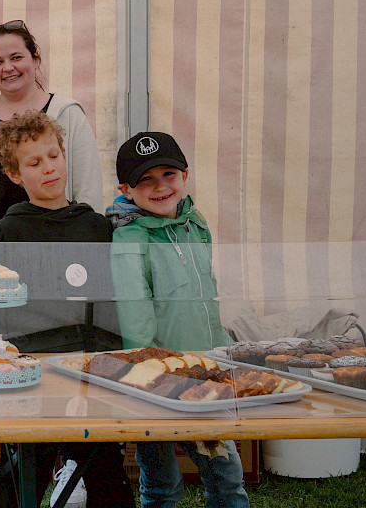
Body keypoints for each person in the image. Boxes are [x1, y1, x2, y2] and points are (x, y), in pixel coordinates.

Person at [0, 113, 130, 508]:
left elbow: (109, 304)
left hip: (93, 372)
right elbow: (7, 313)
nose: (48, 168)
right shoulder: (10, 230)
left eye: (53, 155)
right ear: (14, 175)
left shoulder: (95, 225)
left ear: (65, 155)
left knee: (104, 473)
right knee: (22, 474)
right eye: (34, 163)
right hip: (37, 375)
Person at [108, 131, 247, 508]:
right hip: (156, 379)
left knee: (226, 475)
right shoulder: (128, 238)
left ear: (185, 176)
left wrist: (219, 355)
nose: (160, 187)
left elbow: (208, 298)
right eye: (146, 180)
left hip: (205, 372)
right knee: (162, 482)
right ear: (126, 189)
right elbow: (135, 315)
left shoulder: (196, 223)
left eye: (168, 174)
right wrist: (154, 374)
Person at [0, 20, 104, 301]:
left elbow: (88, 195)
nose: (8, 68)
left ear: (35, 58)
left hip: (53, 270)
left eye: (17, 57)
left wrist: (82, 266)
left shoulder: (68, 114)